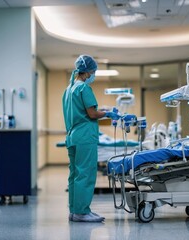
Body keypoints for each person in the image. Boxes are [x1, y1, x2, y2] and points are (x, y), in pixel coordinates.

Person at [62, 55, 120, 222]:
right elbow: (92, 113)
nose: (93, 75)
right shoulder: (84, 89)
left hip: (73, 136)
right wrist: (107, 113)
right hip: (85, 137)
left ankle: (75, 211)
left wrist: (100, 111)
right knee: (85, 174)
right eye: (93, 72)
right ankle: (82, 212)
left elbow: (78, 111)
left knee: (74, 174)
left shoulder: (69, 90)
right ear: (86, 72)